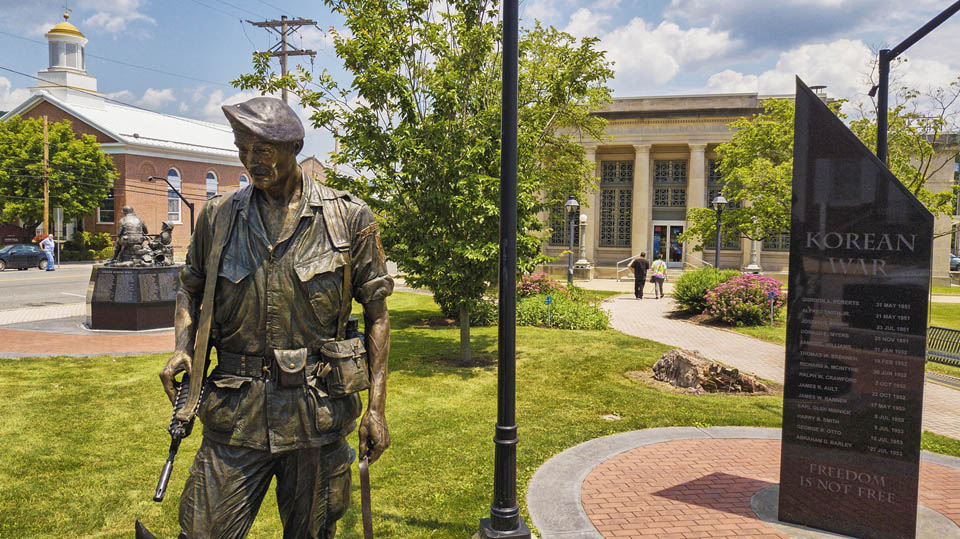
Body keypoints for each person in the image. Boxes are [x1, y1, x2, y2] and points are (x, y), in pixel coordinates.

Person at [158, 97, 393, 538]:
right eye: (242, 149)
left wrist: (376, 410)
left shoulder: (348, 217)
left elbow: (378, 314)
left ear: (294, 147)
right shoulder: (218, 216)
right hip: (235, 413)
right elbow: (189, 288)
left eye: (262, 150)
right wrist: (181, 350)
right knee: (203, 531)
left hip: (316, 414)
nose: (251, 162)